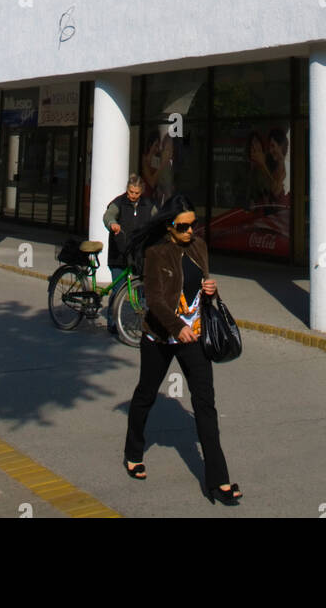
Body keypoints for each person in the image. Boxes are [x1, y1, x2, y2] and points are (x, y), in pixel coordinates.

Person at [123, 195, 242, 505]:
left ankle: (219, 480)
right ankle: (133, 451)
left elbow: (200, 285)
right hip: (161, 338)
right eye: (184, 226)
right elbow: (156, 299)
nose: (191, 231)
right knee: (146, 395)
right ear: (169, 226)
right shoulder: (156, 253)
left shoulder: (199, 247)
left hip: (196, 336)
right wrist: (177, 327)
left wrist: (210, 290)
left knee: (205, 404)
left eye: (194, 225)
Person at [102, 174, 155, 333]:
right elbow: (108, 216)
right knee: (118, 289)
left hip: (139, 254)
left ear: (141, 192)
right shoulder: (119, 202)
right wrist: (113, 224)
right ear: (127, 189)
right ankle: (112, 321)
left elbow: (158, 218)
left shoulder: (148, 205)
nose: (133, 195)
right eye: (130, 192)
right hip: (119, 252)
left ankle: (144, 321)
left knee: (143, 289)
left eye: (136, 193)